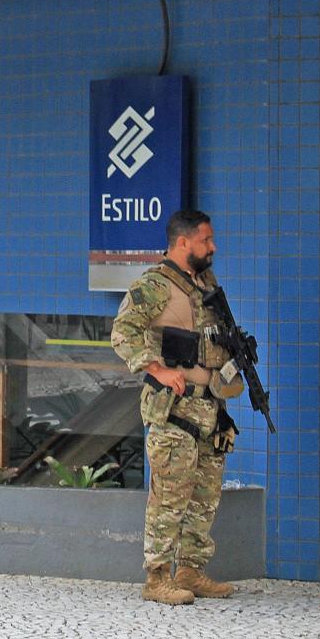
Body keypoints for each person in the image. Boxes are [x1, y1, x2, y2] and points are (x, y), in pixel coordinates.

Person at [111, 209, 243, 606]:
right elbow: (123, 333)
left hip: (209, 408)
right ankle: (156, 577)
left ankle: (190, 570)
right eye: (206, 240)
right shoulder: (154, 285)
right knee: (169, 495)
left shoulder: (206, 283)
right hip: (175, 409)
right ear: (183, 242)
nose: (213, 246)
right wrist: (157, 368)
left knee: (204, 496)